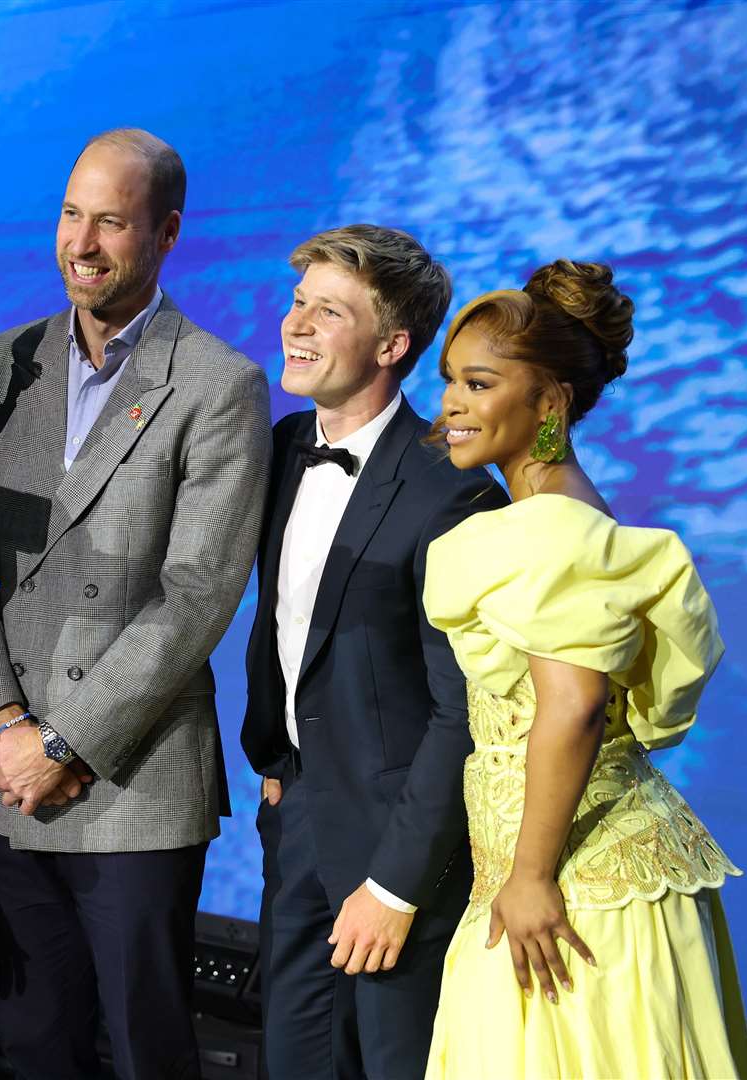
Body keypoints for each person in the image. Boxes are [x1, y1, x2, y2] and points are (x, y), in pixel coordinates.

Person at [0, 129, 271, 1079]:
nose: (82, 243)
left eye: (112, 222)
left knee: (144, 1054)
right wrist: (4, 726)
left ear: (166, 233)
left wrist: (64, 741)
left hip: (133, 784)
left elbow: (196, 595)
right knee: (36, 1049)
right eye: (71, 214)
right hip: (6, 784)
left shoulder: (218, 385)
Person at [422, 260, 747, 1078]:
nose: (453, 404)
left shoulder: (552, 532)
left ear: (550, 403)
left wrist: (530, 877)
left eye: (479, 382)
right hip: (574, 879)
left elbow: (570, 708)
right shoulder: (564, 516)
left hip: (573, 896)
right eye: (450, 381)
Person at [239, 225, 507, 1078]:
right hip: (300, 824)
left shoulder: (454, 488)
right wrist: (277, 760)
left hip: (402, 854)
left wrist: (395, 886)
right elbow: (284, 630)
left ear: (393, 344)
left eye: (329, 310)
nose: (297, 325)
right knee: (295, 1062)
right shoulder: (279, 450)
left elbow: (464, 712)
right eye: (297, 303)